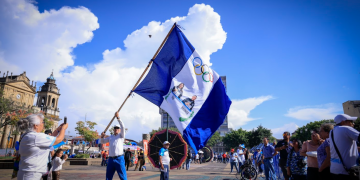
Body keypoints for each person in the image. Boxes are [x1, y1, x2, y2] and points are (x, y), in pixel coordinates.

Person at [17, 114, 67, 179]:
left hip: (29, 172)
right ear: (36, 125)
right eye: (42, 122)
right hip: (31, 173)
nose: (43, 124)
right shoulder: (36, 137)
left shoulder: (30, 135)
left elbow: (50, 138)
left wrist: (58, 129)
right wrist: (63, 129)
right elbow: (58, 139)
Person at [329, 114, 359, 180]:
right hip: (347, 171)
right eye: (351, 121)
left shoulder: (332, 132)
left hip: (335, 169)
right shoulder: (346, 128)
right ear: (343, 122)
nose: (353, 124)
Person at [100, 112, 127, 180]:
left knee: (123, 177)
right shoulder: (110, 137)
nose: (116, 129)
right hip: (111, 159)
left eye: (117, 128)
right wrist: (102, 137)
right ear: (113, 129)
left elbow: (123, 127)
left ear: (119, 129)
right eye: (115, 128)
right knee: (108, 177)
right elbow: (102, 141)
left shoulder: (121, 136)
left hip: (119, 158)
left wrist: (118, 118)